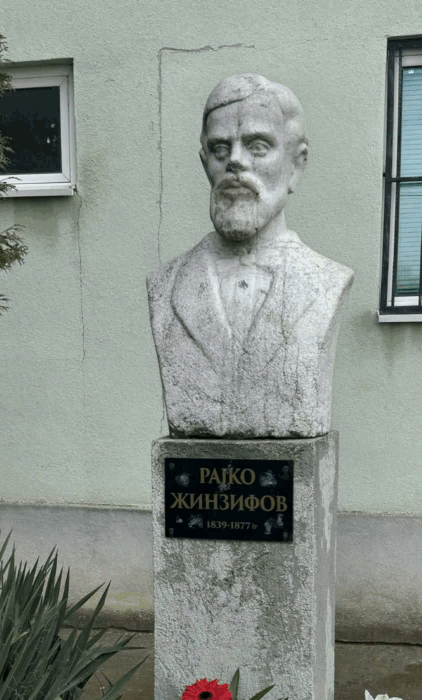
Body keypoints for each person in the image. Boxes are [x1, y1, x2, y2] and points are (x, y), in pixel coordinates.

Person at [147, 73, 354, 438]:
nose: (235, 163)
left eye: (257, 146)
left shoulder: (326, 282)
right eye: (220, 149)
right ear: (205, 163)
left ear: (296, 164)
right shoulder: (166, 284)